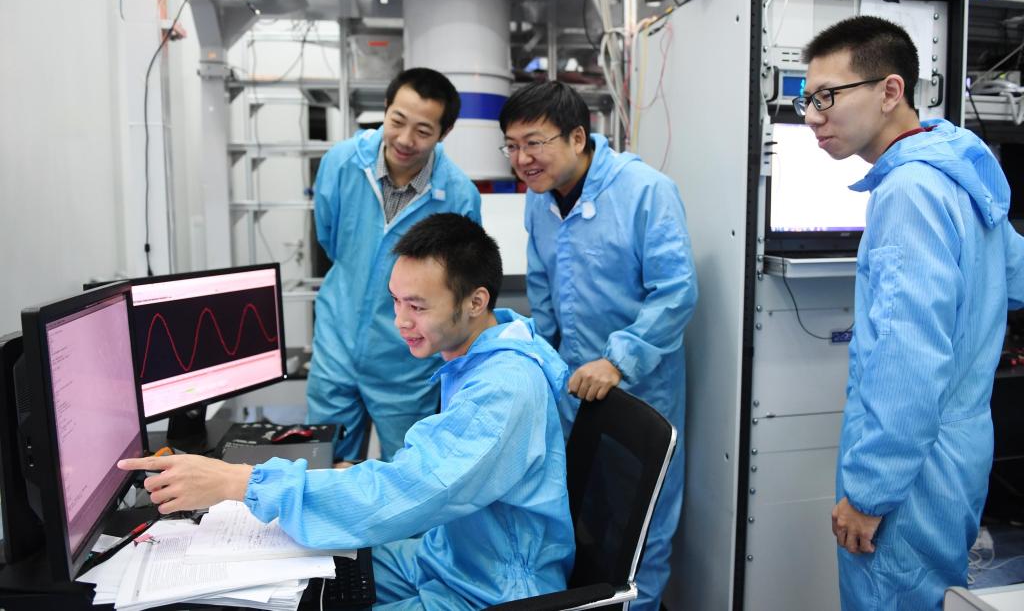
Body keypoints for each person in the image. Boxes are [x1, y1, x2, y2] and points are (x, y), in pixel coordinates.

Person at [120, 213, 574, 610]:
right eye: (396, 300)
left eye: (417, 306)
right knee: (302, 566)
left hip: (492, 590)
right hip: (449, 556)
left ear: (476, 302)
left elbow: (411, 489)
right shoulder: (486, 352)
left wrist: (239, 482)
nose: (400, 320)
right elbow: (435, 470)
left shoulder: (502, 389)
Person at [796, 15, 1024, 611]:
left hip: (911, 473)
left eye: (827, 96)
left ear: (890, 90)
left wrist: (870, 493)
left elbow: (908, 363)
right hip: (957, 451)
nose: (813, 116)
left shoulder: (908, 191)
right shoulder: (962, 165)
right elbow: (1013, 280)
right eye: (806, 100)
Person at [499, 81, 698, 611]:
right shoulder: (540, 200)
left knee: (642, 527)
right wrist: (540, 362)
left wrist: (617, 360)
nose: (522, 158)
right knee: (588, 516)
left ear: (577, 137)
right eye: (512, 145)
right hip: (574, 389)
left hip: (640, 389)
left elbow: (676, 292)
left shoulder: (645, 191)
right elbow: (542, 290)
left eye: (534, 142)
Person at [308, 67, 481, 462]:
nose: (405, 139)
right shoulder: (341, 163)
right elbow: (330, 239)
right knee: (321, 470)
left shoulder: (458, 197)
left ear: (444, 133)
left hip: (406, 364)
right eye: (397, 121)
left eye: (423, 131)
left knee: (404, 478)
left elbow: (455, 286)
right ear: (385, 109)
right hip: (336, 346)